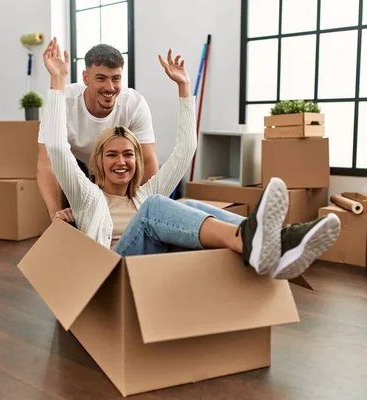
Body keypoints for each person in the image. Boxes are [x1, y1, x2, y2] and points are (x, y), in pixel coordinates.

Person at [40, 41, 342, 280]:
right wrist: (57, 81)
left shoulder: (144, 192)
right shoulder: (85, 198)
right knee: (156, 207)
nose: (122, 161)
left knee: (183, 205)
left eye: (128, 153)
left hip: (152, 270)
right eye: (112, 154)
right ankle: (247, 239)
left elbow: (185, 150)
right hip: (112, 274)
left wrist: (184, 88)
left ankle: (280, 242)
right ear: (97, 161)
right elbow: (54, 147)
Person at [37, 38, 160, 224]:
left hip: (114, 165)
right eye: (101, 78)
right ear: (86, 78)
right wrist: (55, 213)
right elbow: (47, 164)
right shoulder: (62, 104)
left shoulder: (134, 104)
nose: (109, 87)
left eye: (116, 79)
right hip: (76, 162)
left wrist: (147, 209)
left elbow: (148, 159)